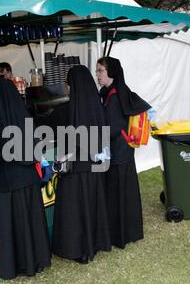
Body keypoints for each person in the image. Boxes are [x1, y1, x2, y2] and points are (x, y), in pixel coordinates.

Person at [0, 78, 51, 280]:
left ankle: (16, 267)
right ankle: (38, 260)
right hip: (29, 182)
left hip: (7, 186)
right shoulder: (25, 119)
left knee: (12, 228)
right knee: (31, 224)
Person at [50, 65, 111, 264]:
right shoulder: (99, 107)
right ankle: (96, 243)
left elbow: (42, 127)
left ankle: (76, 249)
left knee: (73, 210)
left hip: (73, 168)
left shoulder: (64, 111)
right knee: (92, 206)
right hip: (94, 167)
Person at [96, 57, 152, 249]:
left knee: (118, 194)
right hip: (123, 151)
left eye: (101, 71)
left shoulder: (114, 95)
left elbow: (111, 128)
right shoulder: (116, 91)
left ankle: (119, 235)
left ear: (111, 72)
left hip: (118, 152)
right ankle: (129, 231)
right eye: (97, 71)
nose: (98, 75)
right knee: (125, 193)